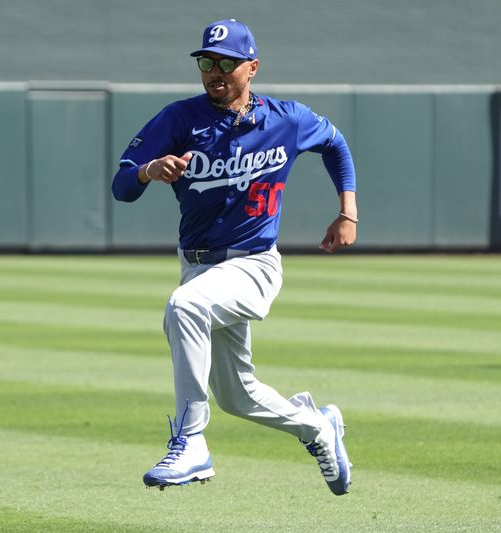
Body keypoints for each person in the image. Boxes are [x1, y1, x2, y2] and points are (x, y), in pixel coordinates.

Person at [111, 19, 357, 496]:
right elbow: (121, 184)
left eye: (226, 62)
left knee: (185, 307)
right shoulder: (180, 119)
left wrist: (348, 212)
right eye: (206, 62)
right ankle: (318, 427)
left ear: (253, 67)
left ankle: (190, 440)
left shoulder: (286, 118)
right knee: (238, 396)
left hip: (254, 264)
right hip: (199, 265)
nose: (214, 71)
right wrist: (147, 170)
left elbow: (335, 143)